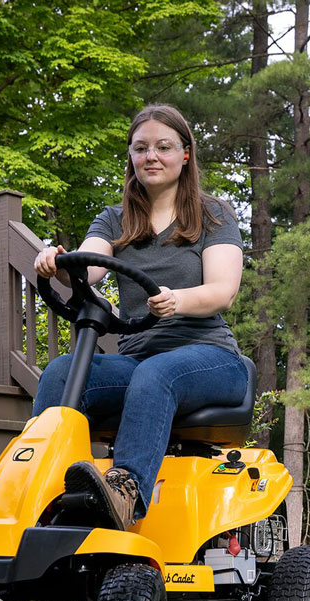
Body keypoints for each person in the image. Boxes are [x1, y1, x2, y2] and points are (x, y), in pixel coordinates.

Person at [32, 104, 247, 531]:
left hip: (209, 356)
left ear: (185, 154)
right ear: (131, 156)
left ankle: (125, 492)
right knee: (61, 372)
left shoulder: (213, 215)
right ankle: (45, 494)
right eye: (141, 148)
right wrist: (57, 261)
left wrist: (177, 300)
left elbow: (223, 290)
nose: (152, 156)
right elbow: (90, 266)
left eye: (163, 147)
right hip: (138, 359)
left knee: (157, 374)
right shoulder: (114, 218)